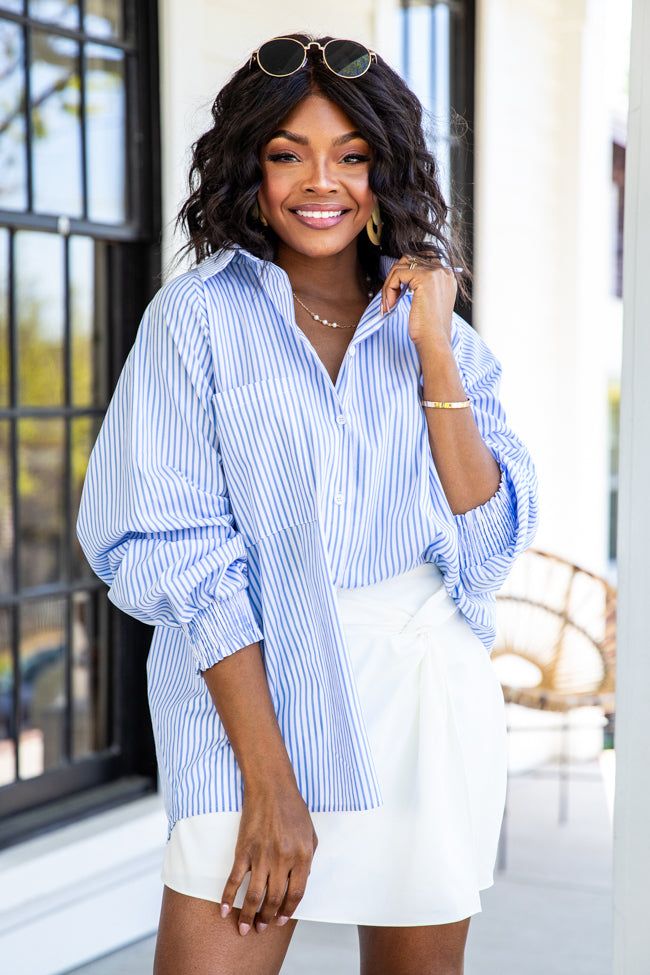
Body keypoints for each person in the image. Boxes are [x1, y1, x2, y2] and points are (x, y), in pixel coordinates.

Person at [76, 32, 539, 975]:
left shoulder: (434, 328)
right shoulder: (198, 316)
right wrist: (270, 778)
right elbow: (167, 547)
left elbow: (487, 540)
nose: (319, 183)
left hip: (421, 701)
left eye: (352, 156)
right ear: (249, 167)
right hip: (247, 695)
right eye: (287, 154)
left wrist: (436, 351)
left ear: (387, 171)